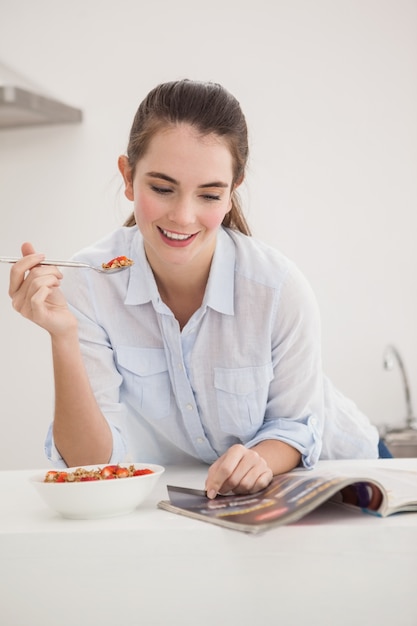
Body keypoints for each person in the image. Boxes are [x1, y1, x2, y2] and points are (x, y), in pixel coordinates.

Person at [8, 79, 381, 499]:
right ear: (128, 178)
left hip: (348, 470)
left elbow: (297, 426)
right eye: (162, 189)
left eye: (208, 194)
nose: (184, 216)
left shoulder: (278, 289)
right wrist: (63, 336)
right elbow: (93, 466)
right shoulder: (91, 283)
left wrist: (258, 459)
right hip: (214, 496)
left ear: (232, 191)